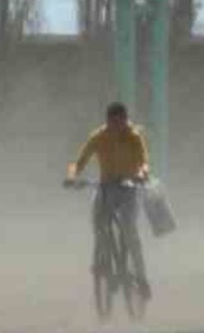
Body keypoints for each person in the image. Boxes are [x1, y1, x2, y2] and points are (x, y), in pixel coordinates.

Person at [65, 101, 152, 300]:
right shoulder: (98, 137)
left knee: (130, 230)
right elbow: (79, 161)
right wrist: (71, 176)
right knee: (97, 221)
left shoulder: (134, 137)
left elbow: (144, 162)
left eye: (120, 123)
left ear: (125, 120)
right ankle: (102, 261)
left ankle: (141, 277)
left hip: (129, 188)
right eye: (112, 123)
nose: (116, 128)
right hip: (106, 187)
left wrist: (142, 174)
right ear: (107, 121)